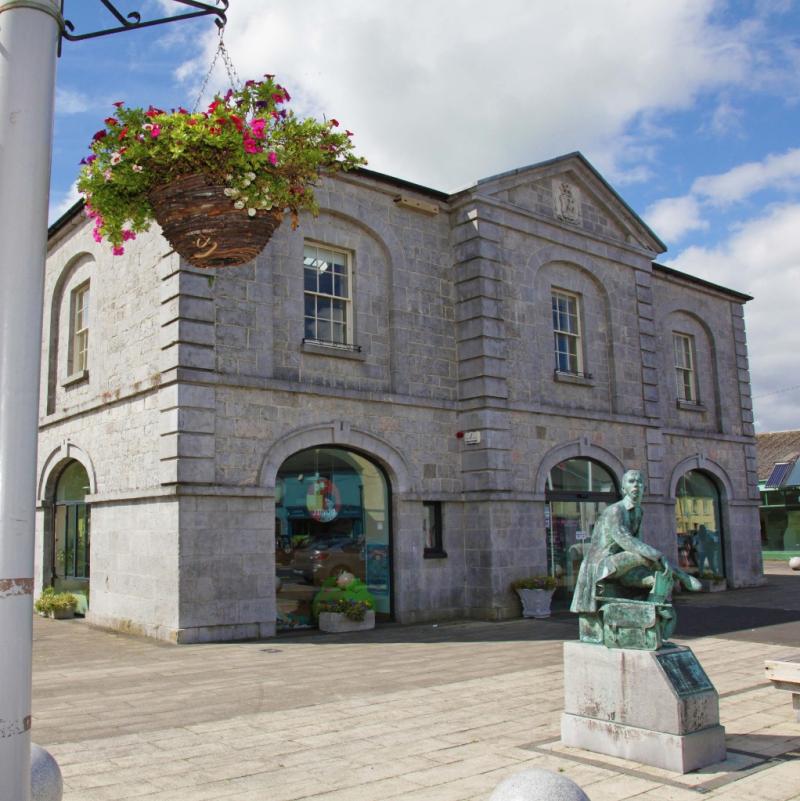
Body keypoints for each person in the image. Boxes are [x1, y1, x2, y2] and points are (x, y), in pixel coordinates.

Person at [570, 469, 701, 614]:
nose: (636, 485)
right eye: (631, 482)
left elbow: (638, 542)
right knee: (642, 556)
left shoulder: (639, 511)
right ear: (623, 488)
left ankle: (650, 612)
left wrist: (655, 563)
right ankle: (683, 577)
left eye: (639, 482)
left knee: (655, 578)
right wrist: (657, 555)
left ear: (644, 488)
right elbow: (627, 540)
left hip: (622, 562)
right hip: (603, 563)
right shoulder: (615, 511)